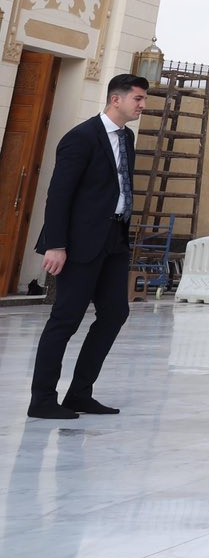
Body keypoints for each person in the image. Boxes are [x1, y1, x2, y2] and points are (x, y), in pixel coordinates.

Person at [28, 73, 146, 420]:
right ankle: (42, 400)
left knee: (115, 314)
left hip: (115, 239)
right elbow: (59, 195)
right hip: (78, 244)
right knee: (65, 319)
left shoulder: (127, 140)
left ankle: (79, 394)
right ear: (116, 99)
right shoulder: (81, 138)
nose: (142, 105)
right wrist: (56, 244)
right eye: (138, 99)